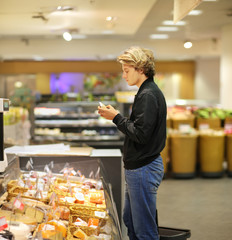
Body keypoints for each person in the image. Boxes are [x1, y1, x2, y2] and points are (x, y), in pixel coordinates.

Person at [98, 46, 167, 240]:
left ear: (141, 69)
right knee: (132, 222)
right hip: (139, 167)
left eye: (126, 71)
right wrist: (116, 117)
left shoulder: (148, 95)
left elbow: (141, 134)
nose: (123, 75)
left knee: (144, 229)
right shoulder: (146, 92)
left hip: (144, 168)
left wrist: (116, 117)